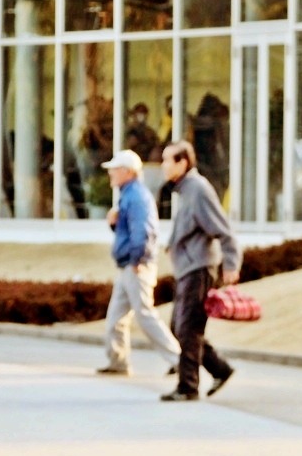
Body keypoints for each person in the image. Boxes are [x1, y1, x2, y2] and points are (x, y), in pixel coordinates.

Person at [160, 139, 240, 402]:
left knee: (188, 328)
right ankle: (220, 368)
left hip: (199, 268)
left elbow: (223, 229)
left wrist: (231, 263)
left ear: (182, 162)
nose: (162, 166)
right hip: (187, 269)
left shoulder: (198, 189)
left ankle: (188, 387)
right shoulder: (184, 190)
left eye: (166, 160)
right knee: (179, 326)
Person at [96, 149, 181, 377]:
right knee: (116, 317)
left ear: (127, 171)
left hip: (136, 265)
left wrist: (138, 259)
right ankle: (118, 362)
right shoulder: (129, 195)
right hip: (128, 265)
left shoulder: (136, 196)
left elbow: (143, 232)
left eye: (114, 169)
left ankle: (178, 359)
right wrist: (114, 224)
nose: (111, 173)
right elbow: (129, 231)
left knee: (145, 314)